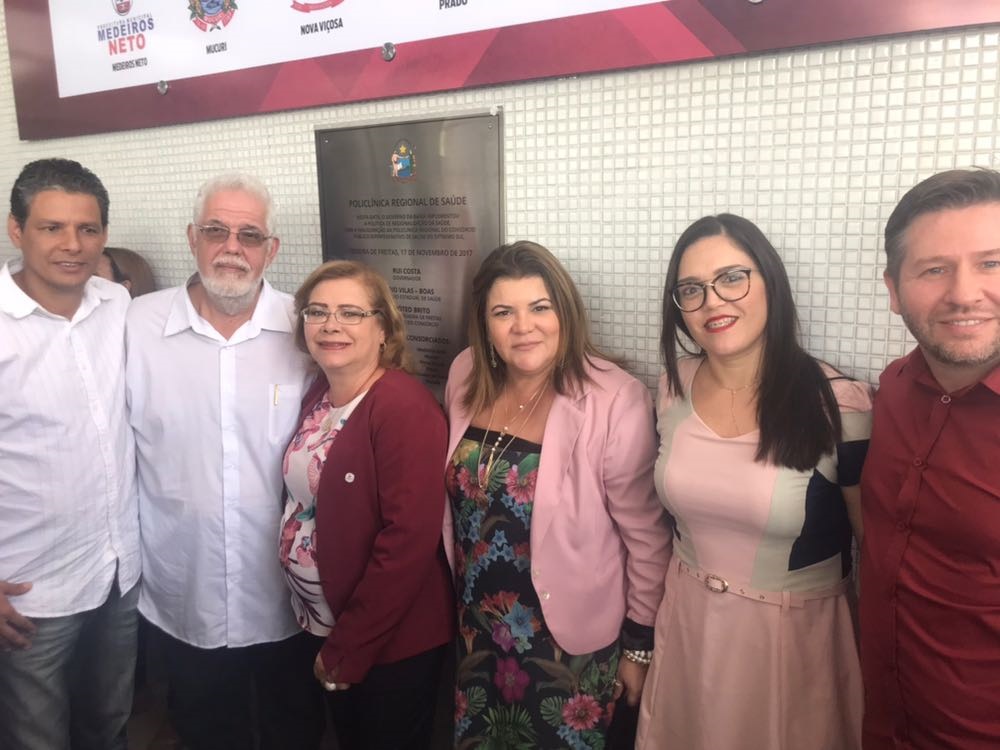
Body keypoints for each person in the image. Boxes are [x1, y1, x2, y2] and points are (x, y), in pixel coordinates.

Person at [637, 214, 871, 749]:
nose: (713, 302)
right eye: (691, 290)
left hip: (794, 643)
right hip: (688, 626)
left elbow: (874, 551)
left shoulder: (838, 404)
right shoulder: (672, 386)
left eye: (732, 278)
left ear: (770, 280)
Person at [443, 240, 672, 749]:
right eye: (503, 312)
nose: (523, 326)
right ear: (484, 323)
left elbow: (648, 538)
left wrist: (638, 647)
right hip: (478, 629)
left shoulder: (615, 399)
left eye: (539, 307)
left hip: (569, 644)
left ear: (565, 312)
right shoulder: (465, 375)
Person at [125, 174, 322, 750]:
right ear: (193, 238)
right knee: (207, 731)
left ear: (271, 249)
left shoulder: (308, 329)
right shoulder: (135, 326)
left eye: (249, 235)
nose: (232, 247)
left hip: (285, 595)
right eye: (216, 231)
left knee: (294, 731)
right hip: (185, 589)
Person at [282, 260, 454, 749]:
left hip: (387, 643)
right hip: (324, 625)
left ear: (384, 329)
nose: (330, 324)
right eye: (317, 311)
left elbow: (407, 543)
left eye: (351, 313)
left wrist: (349, 647)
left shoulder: (403, 406)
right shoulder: (320, 394)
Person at [0, 158, 140, 749]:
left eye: (87, 229)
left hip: (118, 574)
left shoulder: (118, 306)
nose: (72, 245)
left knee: (109, 724)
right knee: (36, 738)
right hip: (31, 591)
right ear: (16, 230)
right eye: (51, 227)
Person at [860, 169, 1000, 749]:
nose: (964, 293)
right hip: (881, 723)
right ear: (894, 290)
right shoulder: (894, 388)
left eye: (991, 263)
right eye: (935, 269)